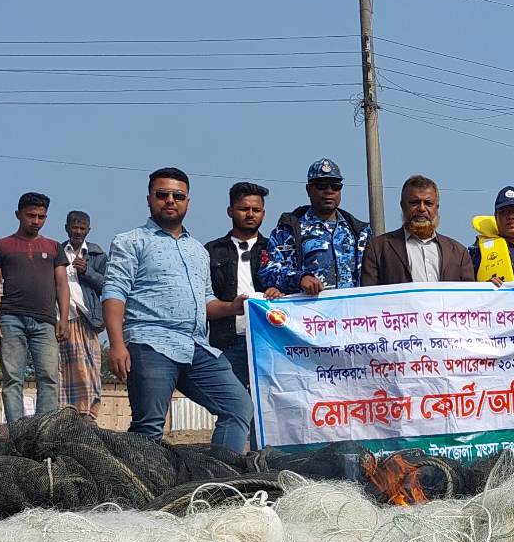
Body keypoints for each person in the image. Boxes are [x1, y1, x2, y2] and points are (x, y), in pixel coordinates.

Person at [102, 168, 251, 454]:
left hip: (196, 346)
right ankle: (141, 493)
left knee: (239, 407)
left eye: (178, 196)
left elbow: (207, 301)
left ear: (187, 202)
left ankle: (220, 482)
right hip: (150, 343)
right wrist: (117, 345)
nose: (170, 200)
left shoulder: (198, 250)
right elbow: (114, 294)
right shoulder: (131, 241)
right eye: (162, 194)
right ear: (149, 199)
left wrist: (232, 307)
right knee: (149, 428)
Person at [0, 192, 69, 423]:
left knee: (49, 377)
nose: (36, 221)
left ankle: (44, 431)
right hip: (11, 319)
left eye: (42, 216)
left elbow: (62, 284)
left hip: (45, 321)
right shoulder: (1, 246)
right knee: (12, 378)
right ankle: (17, 431)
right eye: (31, 215)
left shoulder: (53, 248)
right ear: (18, 215)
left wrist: (64, 318)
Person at [260, 159, 367, 297]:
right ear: (308, 189)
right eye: (321, 186)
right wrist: (300, 278)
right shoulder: (288, 230)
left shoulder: (359, 232)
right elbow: (267, 271)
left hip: (351, 313)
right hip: (307, 313)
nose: (329, 191)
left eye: (335, 186)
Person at [205, 181, 272, 387]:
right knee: (234, 408)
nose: (250, 214)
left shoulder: (276, 250)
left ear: (263, 213)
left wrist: (278, 293)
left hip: (269, 341)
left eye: (256, 210)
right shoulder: (210, 251)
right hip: (227, 343)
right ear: (230, 210)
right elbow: (201, 300)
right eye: (244, 209)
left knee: (272, 408)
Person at [362, 174, 478, 286]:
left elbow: (469, 297)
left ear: (437, 207)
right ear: (402, 205)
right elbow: (369, 299)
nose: (422, 208)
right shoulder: (377, 248)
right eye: (414, 203)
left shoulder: (458, 252)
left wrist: (491, 288)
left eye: (428, 203)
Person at [59, 211, 107, 417]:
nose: (78, 232)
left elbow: (108, 285)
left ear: (88, 230)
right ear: (67, 228)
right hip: (62, 317)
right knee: (63, 368)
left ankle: (88, 413)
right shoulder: (57, 252)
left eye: (82, 228)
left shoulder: (96, 255)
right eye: (74, 227)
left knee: (89, 368)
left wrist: (87, 271)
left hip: (87, 318)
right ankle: (64, 413)